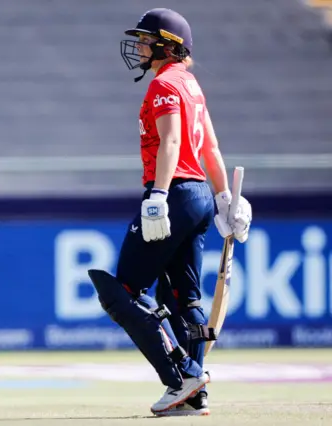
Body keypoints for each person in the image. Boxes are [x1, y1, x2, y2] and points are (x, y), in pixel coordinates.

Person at [87, 8, 252, 417]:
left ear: (168, 45)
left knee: (121, 291)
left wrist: (158, 193)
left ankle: (182, 375)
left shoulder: (163, 82)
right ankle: (194, 396)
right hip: (197, 195)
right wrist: (223, 197)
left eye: (146, 40)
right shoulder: (190, 83)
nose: (140, 46)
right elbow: (210, 147)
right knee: (183, 297)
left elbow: (172, 140)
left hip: (174, 192)